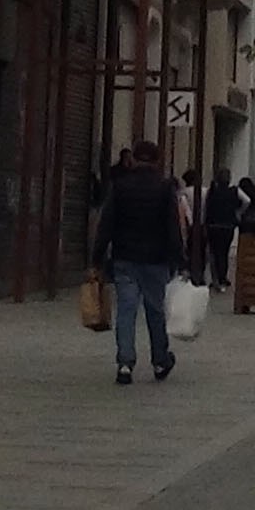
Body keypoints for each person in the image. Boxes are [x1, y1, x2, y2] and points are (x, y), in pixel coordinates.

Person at [96, 137, 186, 385]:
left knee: (126, 310)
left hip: (125, 257)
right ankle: (160, 360)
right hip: (156, 259)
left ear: (134, 159)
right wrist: (180, 259)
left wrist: (97, 258)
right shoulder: (165, 188)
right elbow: (172, 227)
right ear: (157, 161)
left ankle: (125, 363)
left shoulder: (120, 186)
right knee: (155, 311)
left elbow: (106, 224)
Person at [202, 169, 243, 291]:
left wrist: (205, 223)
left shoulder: (212, 191)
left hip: (213, 225)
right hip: (228, 226)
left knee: (214, 252)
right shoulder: (234, 191)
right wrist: (238, 213)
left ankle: (215, 279)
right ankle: (223, 277)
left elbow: (206, 208)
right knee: (224, 252)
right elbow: (247, 201)